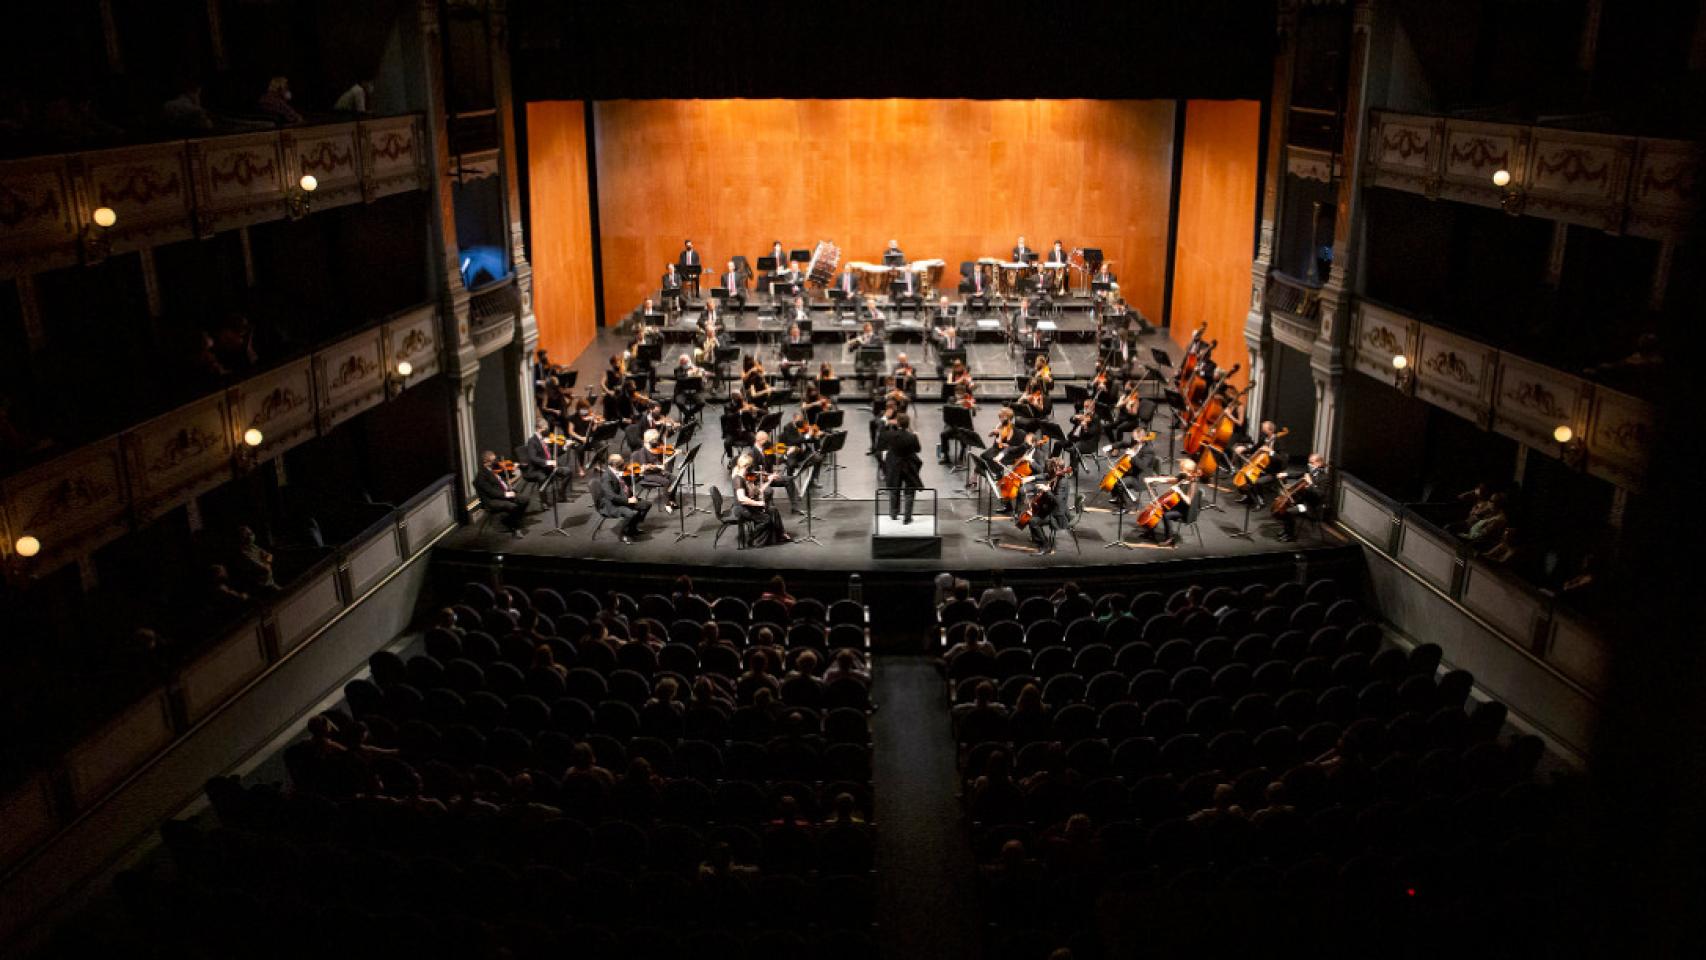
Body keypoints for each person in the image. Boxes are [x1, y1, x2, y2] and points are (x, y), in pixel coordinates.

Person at [591, 452, 649, 543]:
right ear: (614, 465)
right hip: (612, 505)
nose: (624, 465)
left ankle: (632, 528)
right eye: (621, 463)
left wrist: (640, 474)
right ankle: (623, 534)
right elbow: (611, 497)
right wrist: (628, 500)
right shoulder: (606, 477)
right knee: (630, 513)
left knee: (646, 505)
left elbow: (628, 483)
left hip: (623, 498)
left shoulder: (618, 472)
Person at [1141, 459, 1200, 547]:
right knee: (1158, 507)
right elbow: (1169, 480)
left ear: (1190, 472)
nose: (1180, 471)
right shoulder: (1183, 476)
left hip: (1185, 510)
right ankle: (1150, 532)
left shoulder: (1193, 484)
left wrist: (1179, 491)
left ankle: (1169, 539)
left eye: (1182, 470)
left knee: (1166, 514)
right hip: (1178, 504)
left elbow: (1188, 502)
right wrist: (1152, 479)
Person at [732, 454, 789, 545]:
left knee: (773, 510)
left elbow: (758, 491)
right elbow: (741, 499)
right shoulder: (738, 479)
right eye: (750, 466)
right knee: (766, 519)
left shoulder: (744, 478)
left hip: (747, 506)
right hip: (742, 508)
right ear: (746, 466)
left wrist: (769, 480)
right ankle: (753, 540)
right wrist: (759, 503)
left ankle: (779, 535)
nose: (751, 469)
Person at [1276, 453, 1330, 542]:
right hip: (1304, 500)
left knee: (1289, 511)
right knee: (1284, 507)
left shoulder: (1324, 478)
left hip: (1312, 506)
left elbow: (1319, 494)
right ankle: (1287, 530)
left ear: (1319, 463)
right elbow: (1299, 474)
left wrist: (1310, 484)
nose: (1310, 465)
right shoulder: (1311, 472)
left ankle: (1290, 536)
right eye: (1309, 462)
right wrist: (1285, 474)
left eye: (1312, 463)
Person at [882, 412, 924, 523]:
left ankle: (894, 514)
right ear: (908, 423)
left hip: (895, 465)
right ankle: (907, 517)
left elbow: (883, 439)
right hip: (908, 465)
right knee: (910, 490)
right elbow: (918, 450)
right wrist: (915, 436)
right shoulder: (912, 436)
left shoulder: (890, 435)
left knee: (894, 489)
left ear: (898, 423)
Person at [475, 451, 529, 534]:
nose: (496, 462)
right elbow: (491, 492)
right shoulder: (482, 476)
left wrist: (513, 468)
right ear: (486, 462)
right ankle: (515, 526)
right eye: (493, 460)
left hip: (503, 493)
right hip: (492, 500)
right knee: (512, 506)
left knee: (524, 500)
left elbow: (504, 480)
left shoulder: (494, 469)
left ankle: (513, 520)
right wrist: (506, 494)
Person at [233, 525, 278, 592]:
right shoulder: (242, 554)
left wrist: (266, 562)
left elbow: (270, 556)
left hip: (270, 580)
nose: (251, 536)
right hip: (262, 585)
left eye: (251, 533)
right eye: (247, 534)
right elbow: (263, 568)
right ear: (241, 538)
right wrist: (266, 562)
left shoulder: (253, 547)